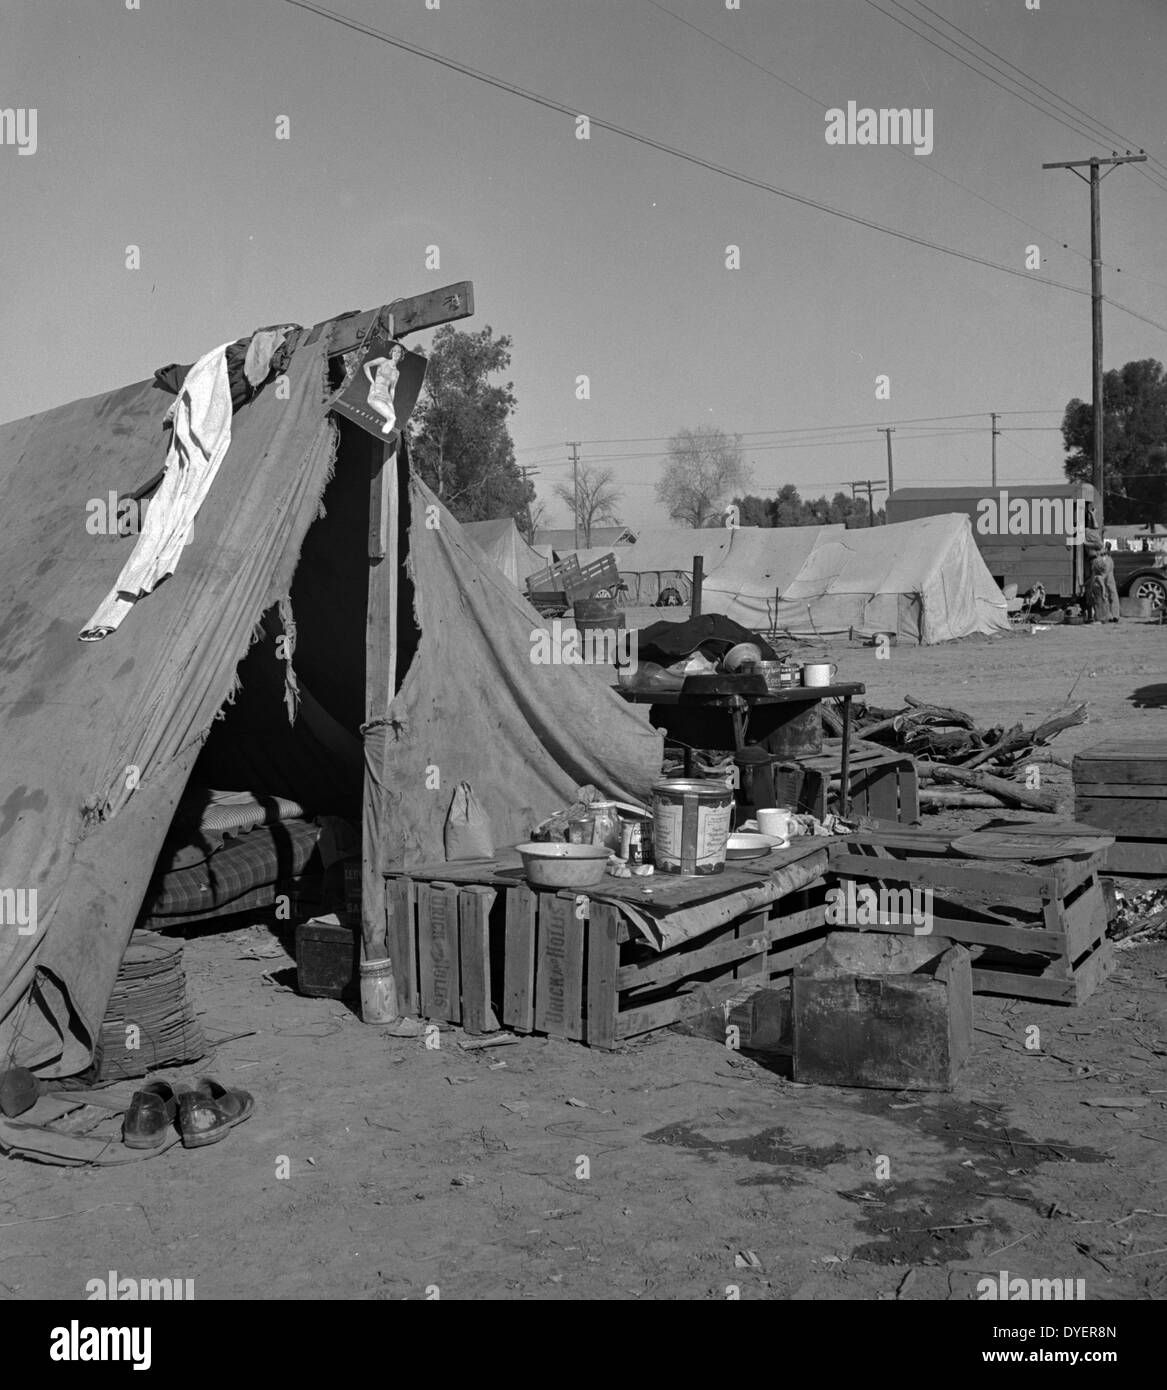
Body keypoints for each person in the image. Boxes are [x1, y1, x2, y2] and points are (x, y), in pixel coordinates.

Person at [363, 343, 405, 435]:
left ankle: (383, 436)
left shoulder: (397, 373)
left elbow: (392, 389)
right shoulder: (383, 360)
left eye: (399, 352)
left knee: (393, 420)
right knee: (392, 418)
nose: (396, 353)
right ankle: (381, 434)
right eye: (394, 351)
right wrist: (372, 382)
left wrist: (390, 404)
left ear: (401, 355)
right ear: (391, 352)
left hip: (387, 397)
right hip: (376, 392)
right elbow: (366, 365)